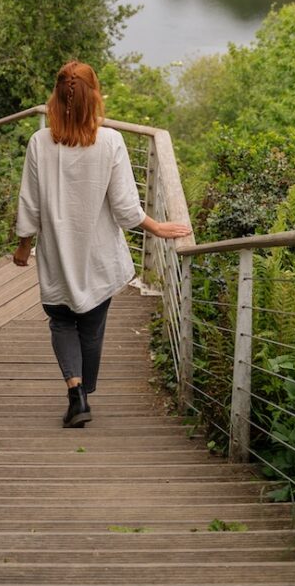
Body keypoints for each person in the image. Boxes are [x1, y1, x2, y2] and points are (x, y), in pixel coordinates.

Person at [13, 60, 191, 428]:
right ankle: (85, 392)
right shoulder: (111, 142)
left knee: (61, 321)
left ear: (56, 98)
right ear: (94, 98)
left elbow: (29, 203)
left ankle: (75, 391)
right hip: (98, 258)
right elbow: (126, 208)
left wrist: (23, 246)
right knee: (91, 327)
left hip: (57, 256)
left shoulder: (39, 143)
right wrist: (156, 227)